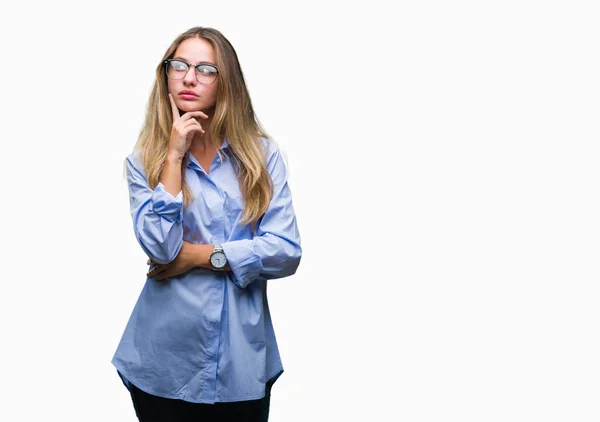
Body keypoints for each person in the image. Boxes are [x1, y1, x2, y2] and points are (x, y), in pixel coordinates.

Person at [111, 26, 302, 422]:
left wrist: (201, 255)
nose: (189, 77)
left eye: (205, 68)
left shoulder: (261, 156)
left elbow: (285, 252)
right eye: (178, 65)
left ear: (226, 81)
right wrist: (173, 158)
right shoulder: (143, 161)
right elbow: (162, 250)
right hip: (163, 362)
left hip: (241, 361)